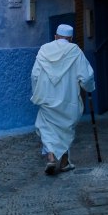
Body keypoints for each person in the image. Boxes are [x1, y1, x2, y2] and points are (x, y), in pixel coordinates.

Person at [30, 24, 95, 175]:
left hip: (47, 98)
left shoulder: (44, 50)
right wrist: (89, 87)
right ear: (71, 38)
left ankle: (51, 157)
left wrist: (37, 94)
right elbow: (86, 77)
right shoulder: (75, 51)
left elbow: (35, 75)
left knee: (46, 128)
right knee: (65, 130)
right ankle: (64, 162)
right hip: (68, 99)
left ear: (55, 37)